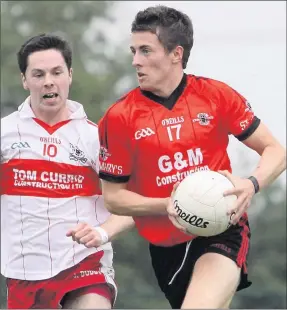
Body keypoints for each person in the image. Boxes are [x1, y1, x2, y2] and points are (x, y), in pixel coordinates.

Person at [97, 5, 286, 309]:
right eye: (133, 51)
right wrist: (167, 205)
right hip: (166, 250)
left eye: (146, 51)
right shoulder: (119, 117)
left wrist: (252, 183)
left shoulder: (216, 95)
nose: (135, 61)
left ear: (176, 53)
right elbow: (114, 198)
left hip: (223, 230)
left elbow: (276, 151)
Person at [0, 33, 134, 309]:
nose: (48, 80)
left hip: (84, 264)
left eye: (56, 72)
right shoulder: (5, 134)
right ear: (25, 80)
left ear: (69, 75)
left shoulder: (95, 138)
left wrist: (102, 233)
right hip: (24, 273)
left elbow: (133, 204)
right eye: (38, 74)